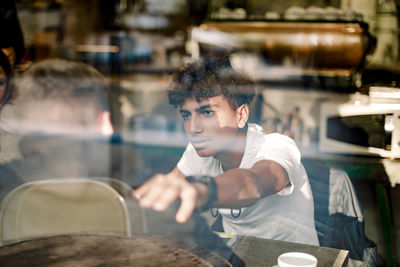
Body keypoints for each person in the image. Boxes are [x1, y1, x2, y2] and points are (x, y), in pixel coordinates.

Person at [133, 57, 319, 246]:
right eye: (187, 115)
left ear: (241, 115)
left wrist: (203, 190)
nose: (193, 128)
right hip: (238, 255)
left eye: (207, 113)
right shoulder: (197, 151)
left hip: (290, 259)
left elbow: (252, 183)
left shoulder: (276, 146)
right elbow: (172, 187)